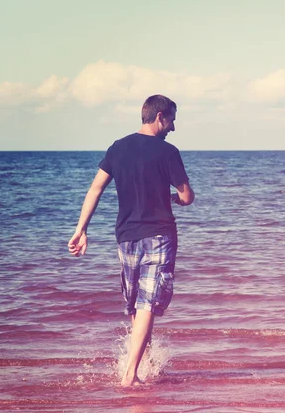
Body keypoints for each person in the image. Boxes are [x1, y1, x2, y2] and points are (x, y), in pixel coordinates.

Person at [68, 94, 194, 387]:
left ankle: (143, 365)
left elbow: (95, 188)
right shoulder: (168, 152)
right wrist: (177, 198)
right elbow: (187, 196)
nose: (173, 127)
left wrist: (81, 229)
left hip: (126, 237)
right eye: (172, 119)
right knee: (148, 305)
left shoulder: (118, 148)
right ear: (160, 116)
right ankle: (130, 375)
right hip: (159, 235)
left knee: (138, 307)